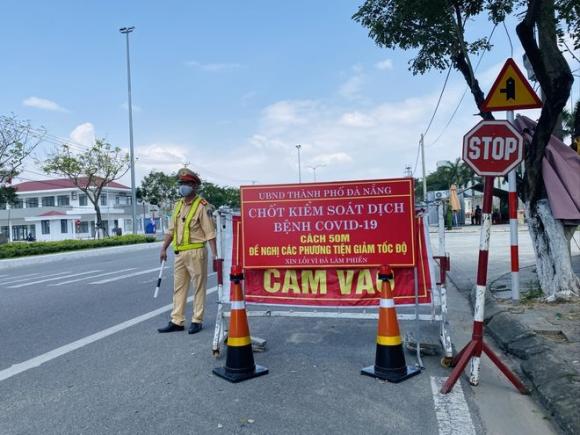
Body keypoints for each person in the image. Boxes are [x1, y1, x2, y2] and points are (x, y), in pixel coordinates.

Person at [158, 168, 217, 334]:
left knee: (198, 287)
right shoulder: (177, 206)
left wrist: (215, 256)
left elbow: (210, 233)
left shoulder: (202, 206)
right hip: (179, 254)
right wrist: (163, 248)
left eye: (186, 183)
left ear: (194, 186)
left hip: (197, 252)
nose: (183, 186)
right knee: (179, 288)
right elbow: (171, 231)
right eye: (181, 183)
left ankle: (197, 320)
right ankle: (177, 320)